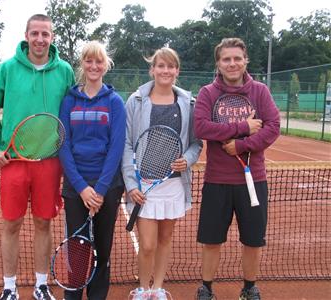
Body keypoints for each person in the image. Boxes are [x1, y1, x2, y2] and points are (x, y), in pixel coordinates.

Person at [0, 14, 75, 300]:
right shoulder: (7, 69)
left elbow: (71, 113)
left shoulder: (65, 71)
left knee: (44, 223)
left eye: (45, 34)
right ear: (26, 35)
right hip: (13, 163)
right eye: (35, 33)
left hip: (49, 162)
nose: (40, 39)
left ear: (52, 37)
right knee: (11, 224)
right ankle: (9, 288)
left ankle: (41, 286)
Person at [194, 37, 280, 300]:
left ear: (245, 62)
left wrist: (241, 146)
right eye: (226, 59)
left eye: (237, 59)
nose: (232, 64)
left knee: (253, 240)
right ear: (218, 64)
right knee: (211, 240)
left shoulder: (260, 92)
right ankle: (206, 288)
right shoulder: (208, 93)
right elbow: (201, 127)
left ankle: (249, 287)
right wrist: (242, 127)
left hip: (254, 181)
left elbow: (273, 127)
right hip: (217, 181)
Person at [122, 47, 202, 300]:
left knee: (165, 240)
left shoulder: (189, 103)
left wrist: (186, 160)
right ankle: (142, 289)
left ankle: (157, 289)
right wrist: (131, 183)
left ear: (177, 71)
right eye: (160, 66)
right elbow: (125, 143)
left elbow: (196, 143)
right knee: (147, 244)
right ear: (152, 69)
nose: (165, 70)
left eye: (170, 66)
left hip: (173, 185)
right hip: (143, 185)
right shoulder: (135, 101)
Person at [58, 40, 126, 300]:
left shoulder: (115, 102)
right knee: (78, 247)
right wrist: (82, 188)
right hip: (76, 188)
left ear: (105, 65)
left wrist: (98, 190)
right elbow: (63, 145)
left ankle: (97, 295)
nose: (94, 66)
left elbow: (116, 148)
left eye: (99, 61)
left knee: (103, 247)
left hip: (107, 187)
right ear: (82, 64)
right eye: (89, 60)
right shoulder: (69, 101)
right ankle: (73, 295)